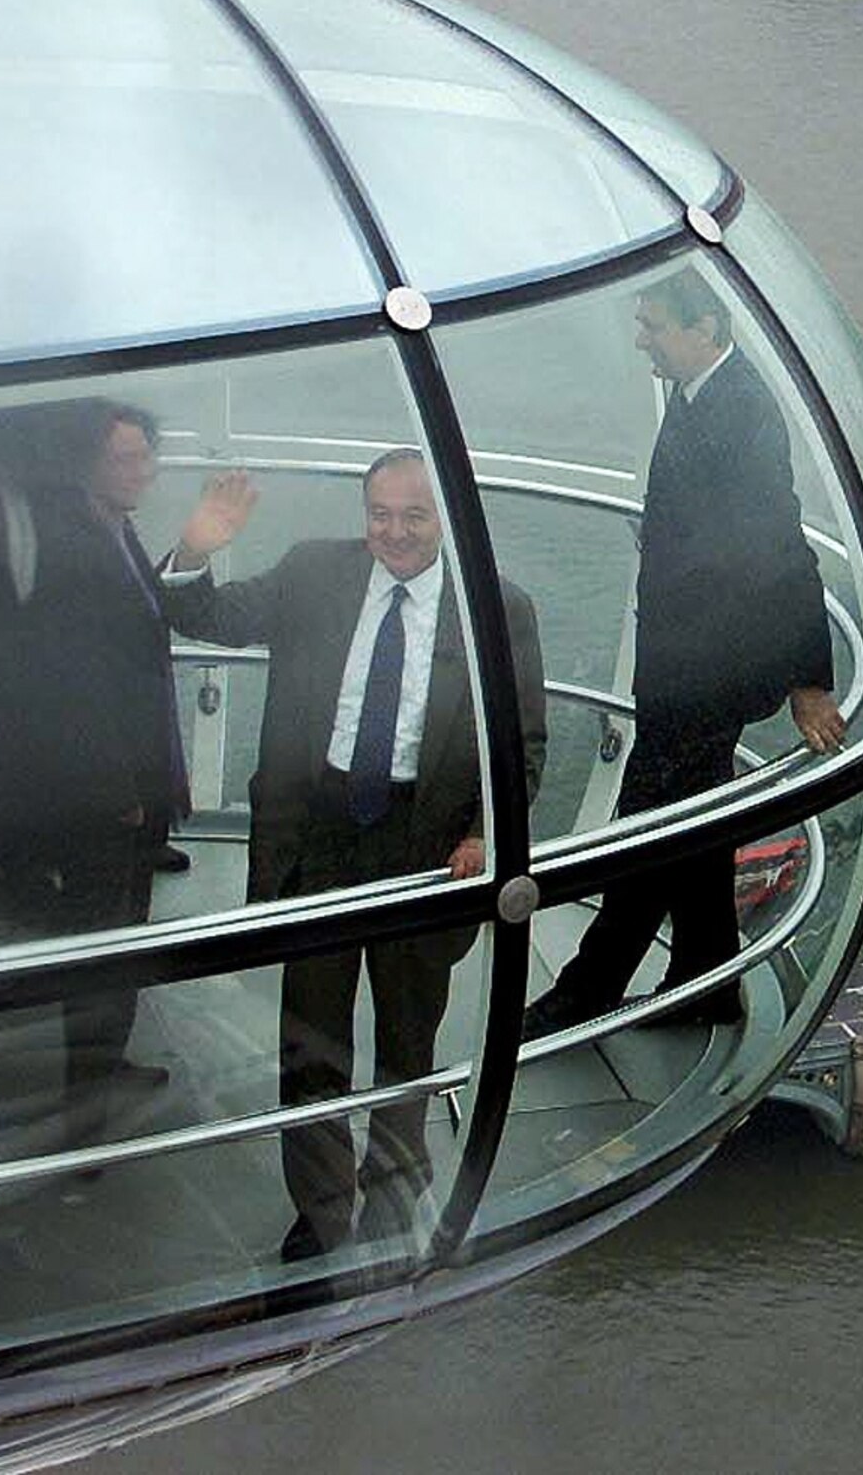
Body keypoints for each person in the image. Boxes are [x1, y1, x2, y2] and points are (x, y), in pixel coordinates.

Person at [161, 449, 546, 1265]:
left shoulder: (497, 608)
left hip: (425, 846)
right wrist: (195, 550)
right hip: (322, 835)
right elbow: (211, 619)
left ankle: (394, 1195)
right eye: (380, 515)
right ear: (362, 512)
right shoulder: (313, 575)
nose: (395, 533)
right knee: (310, 1039)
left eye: (414, 516)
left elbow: (524, 744)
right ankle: (323, 1210)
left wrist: (483, 833)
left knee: (409, 1037)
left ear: (445, 518)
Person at [525, 273, 840, 1034]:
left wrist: (810, 682)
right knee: (695, 831)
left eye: (655, 328)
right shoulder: (700, 389)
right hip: (683, 663)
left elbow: (784, 551)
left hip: (711, 674)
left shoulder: (742, 413)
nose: (643, 340)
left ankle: (588, 989)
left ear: (707, 328)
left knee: (650, 827)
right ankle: (706, 984)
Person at [0, 401, 186, 1147]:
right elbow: (72, 688)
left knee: (121, 936)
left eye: (146, 456)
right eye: (129, 458)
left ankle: (104, 1068)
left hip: (129, 788)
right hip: (104, 798)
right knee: (102, 943)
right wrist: (117, 795)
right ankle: (86, 1104)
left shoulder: (110, 528)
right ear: (86, 462)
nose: (145, 470)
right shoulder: (72, 548)